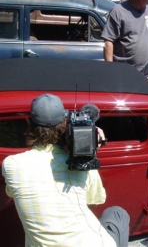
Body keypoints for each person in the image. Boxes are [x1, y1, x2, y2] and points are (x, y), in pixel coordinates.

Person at [2, 93, 130, 247]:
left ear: (30, 123)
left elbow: (12, 192)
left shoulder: (11, 164)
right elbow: (96, 200)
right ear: (65, 124)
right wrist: (91, 153)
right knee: (117, 213)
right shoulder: (80, 165)